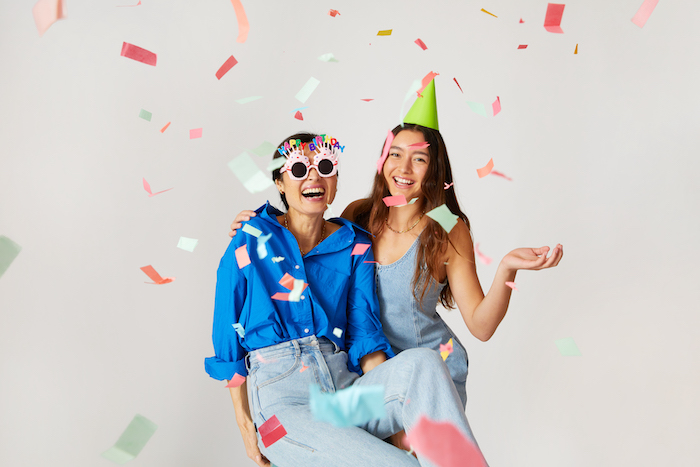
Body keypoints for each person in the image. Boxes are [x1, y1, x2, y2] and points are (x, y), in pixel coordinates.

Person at [229, 78, 564, 420]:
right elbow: (310, 255)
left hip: (428, 377)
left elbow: (481, 325)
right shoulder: (357, 216)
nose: (403, 169)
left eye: (419, 159)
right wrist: (260, 223)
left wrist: (507, 269)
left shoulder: (448, 225)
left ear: (434, 169)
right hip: (367, 377)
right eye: (395, 155)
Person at [206, 132, 482, 467]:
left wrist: (395, 414)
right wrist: (245, 424)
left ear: (335, 182)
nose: (314, 178)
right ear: (279, 183)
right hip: (285, 402)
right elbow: (227, 338)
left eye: (324, 167)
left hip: (344, 390)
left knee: (424, 362)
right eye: (298, 170)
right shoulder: (250, 239)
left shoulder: (355, 243)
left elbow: (365, 333)